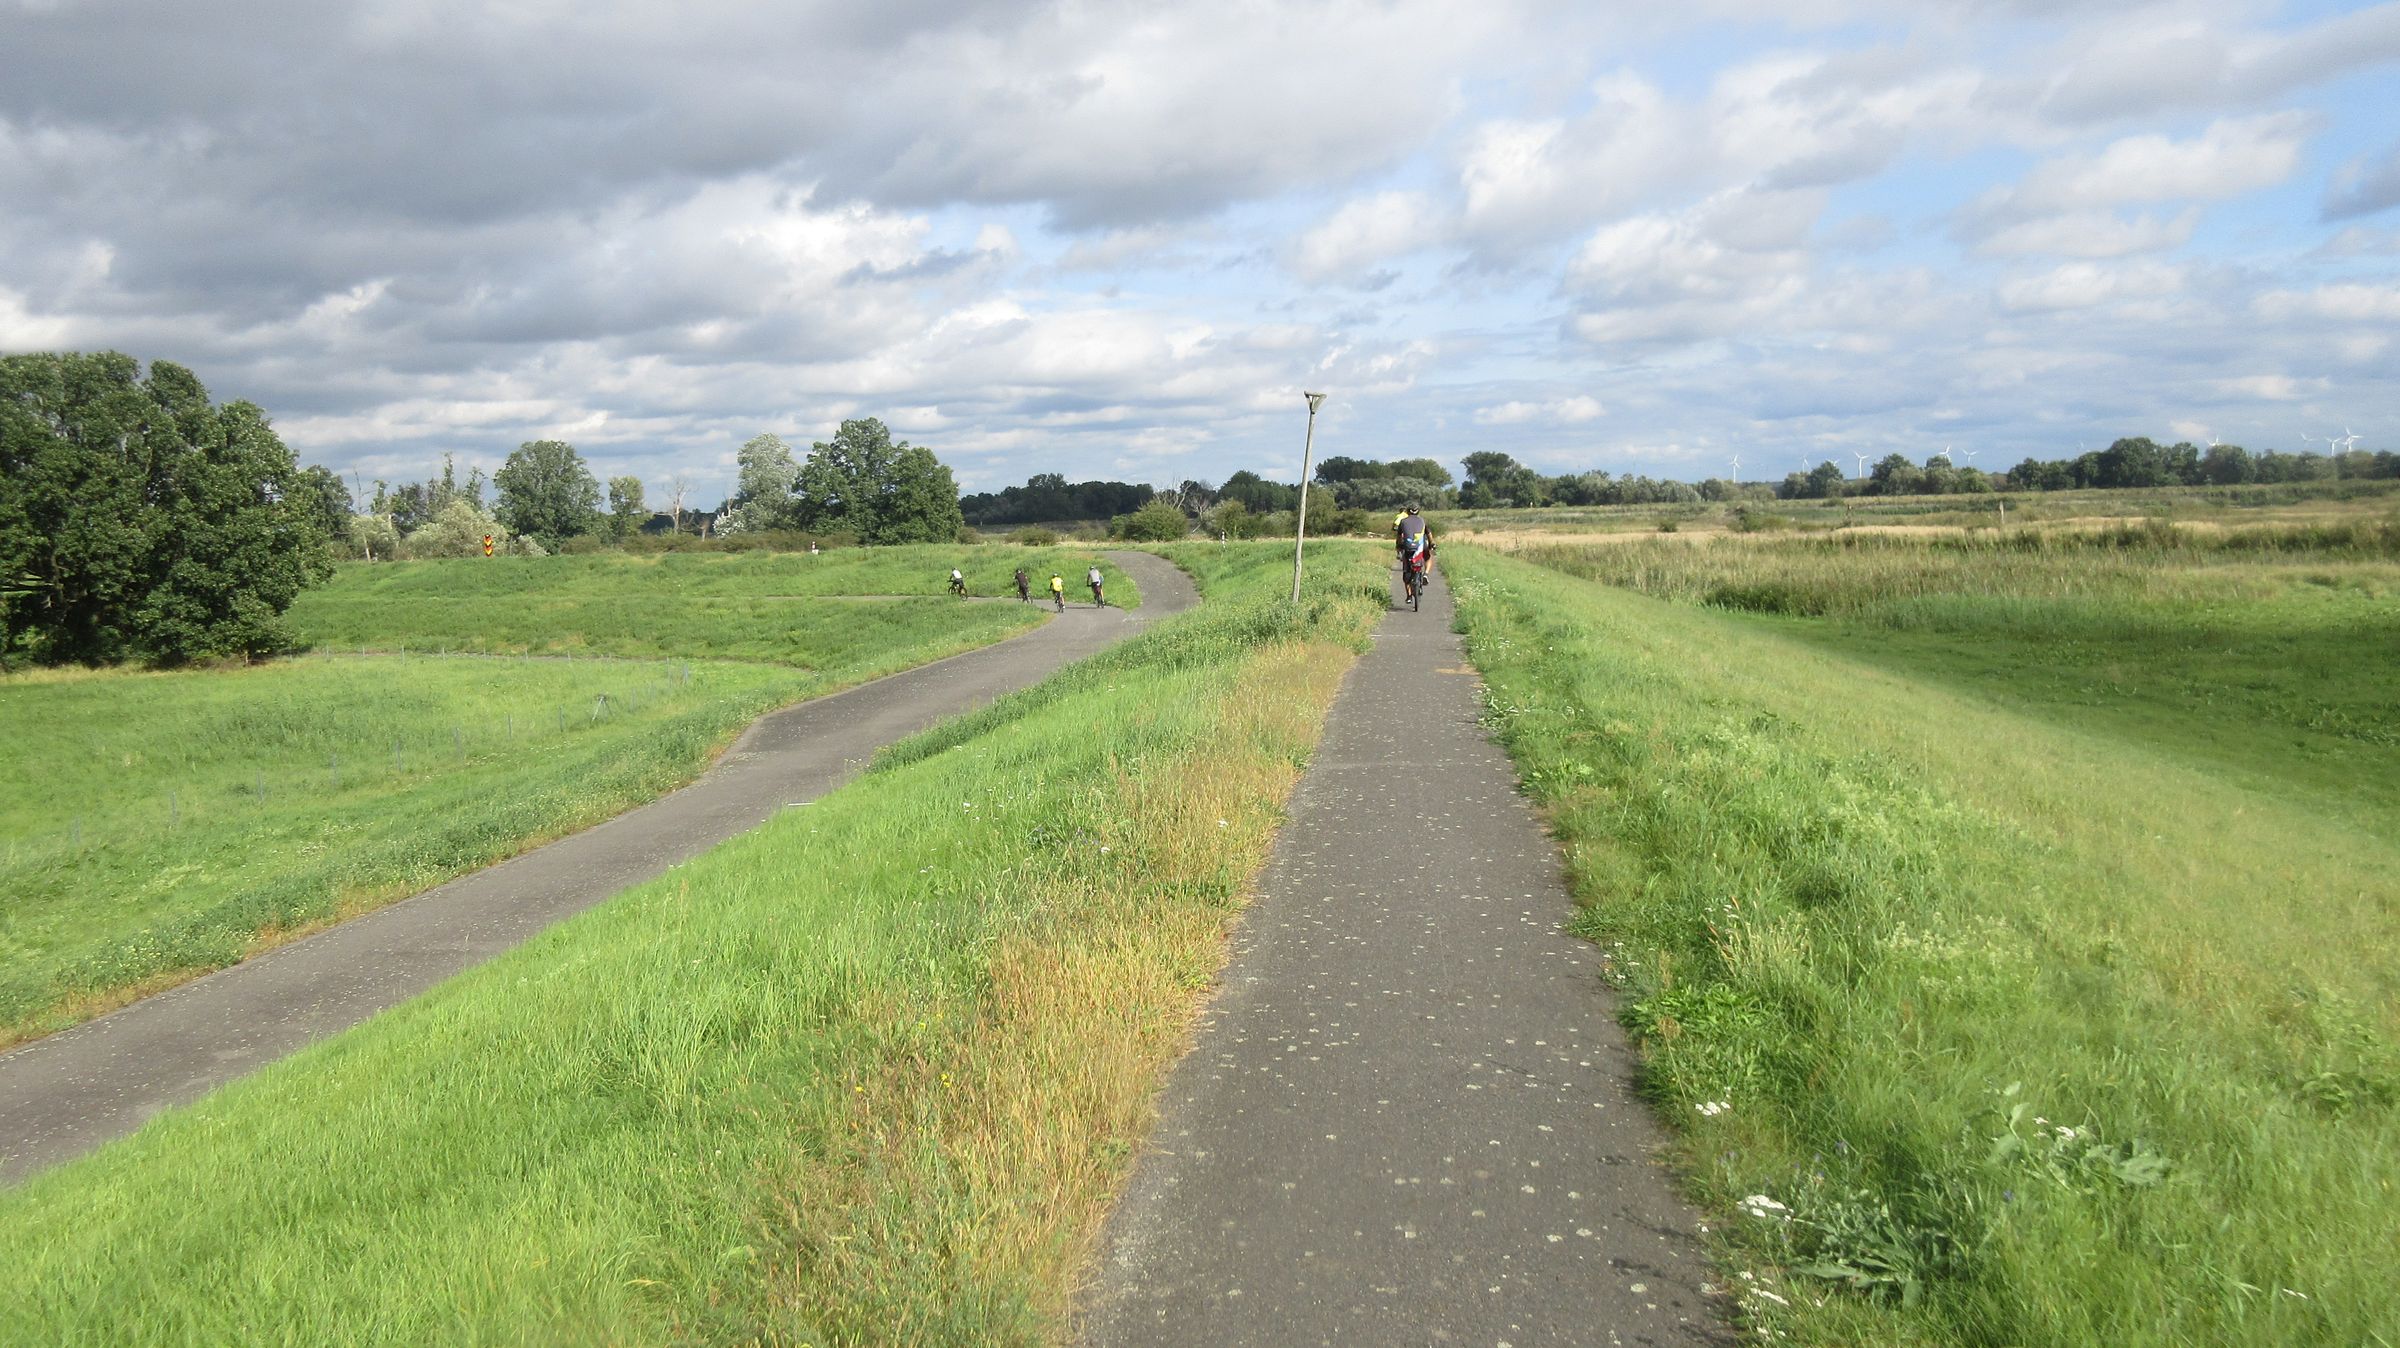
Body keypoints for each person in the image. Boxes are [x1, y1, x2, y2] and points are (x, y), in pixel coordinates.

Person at [1396, 506, 1433, 601]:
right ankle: (1426, 574)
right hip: (1421, 546)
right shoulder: (1422, 520)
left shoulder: (1403, 521)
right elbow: (1429, 534)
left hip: (1408, 547)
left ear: (1408, 512)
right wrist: (1432, 543)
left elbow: (1399, 536)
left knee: (1406, 569)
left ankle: (1409, 596)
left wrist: (1399, 546)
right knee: (1428, 557)